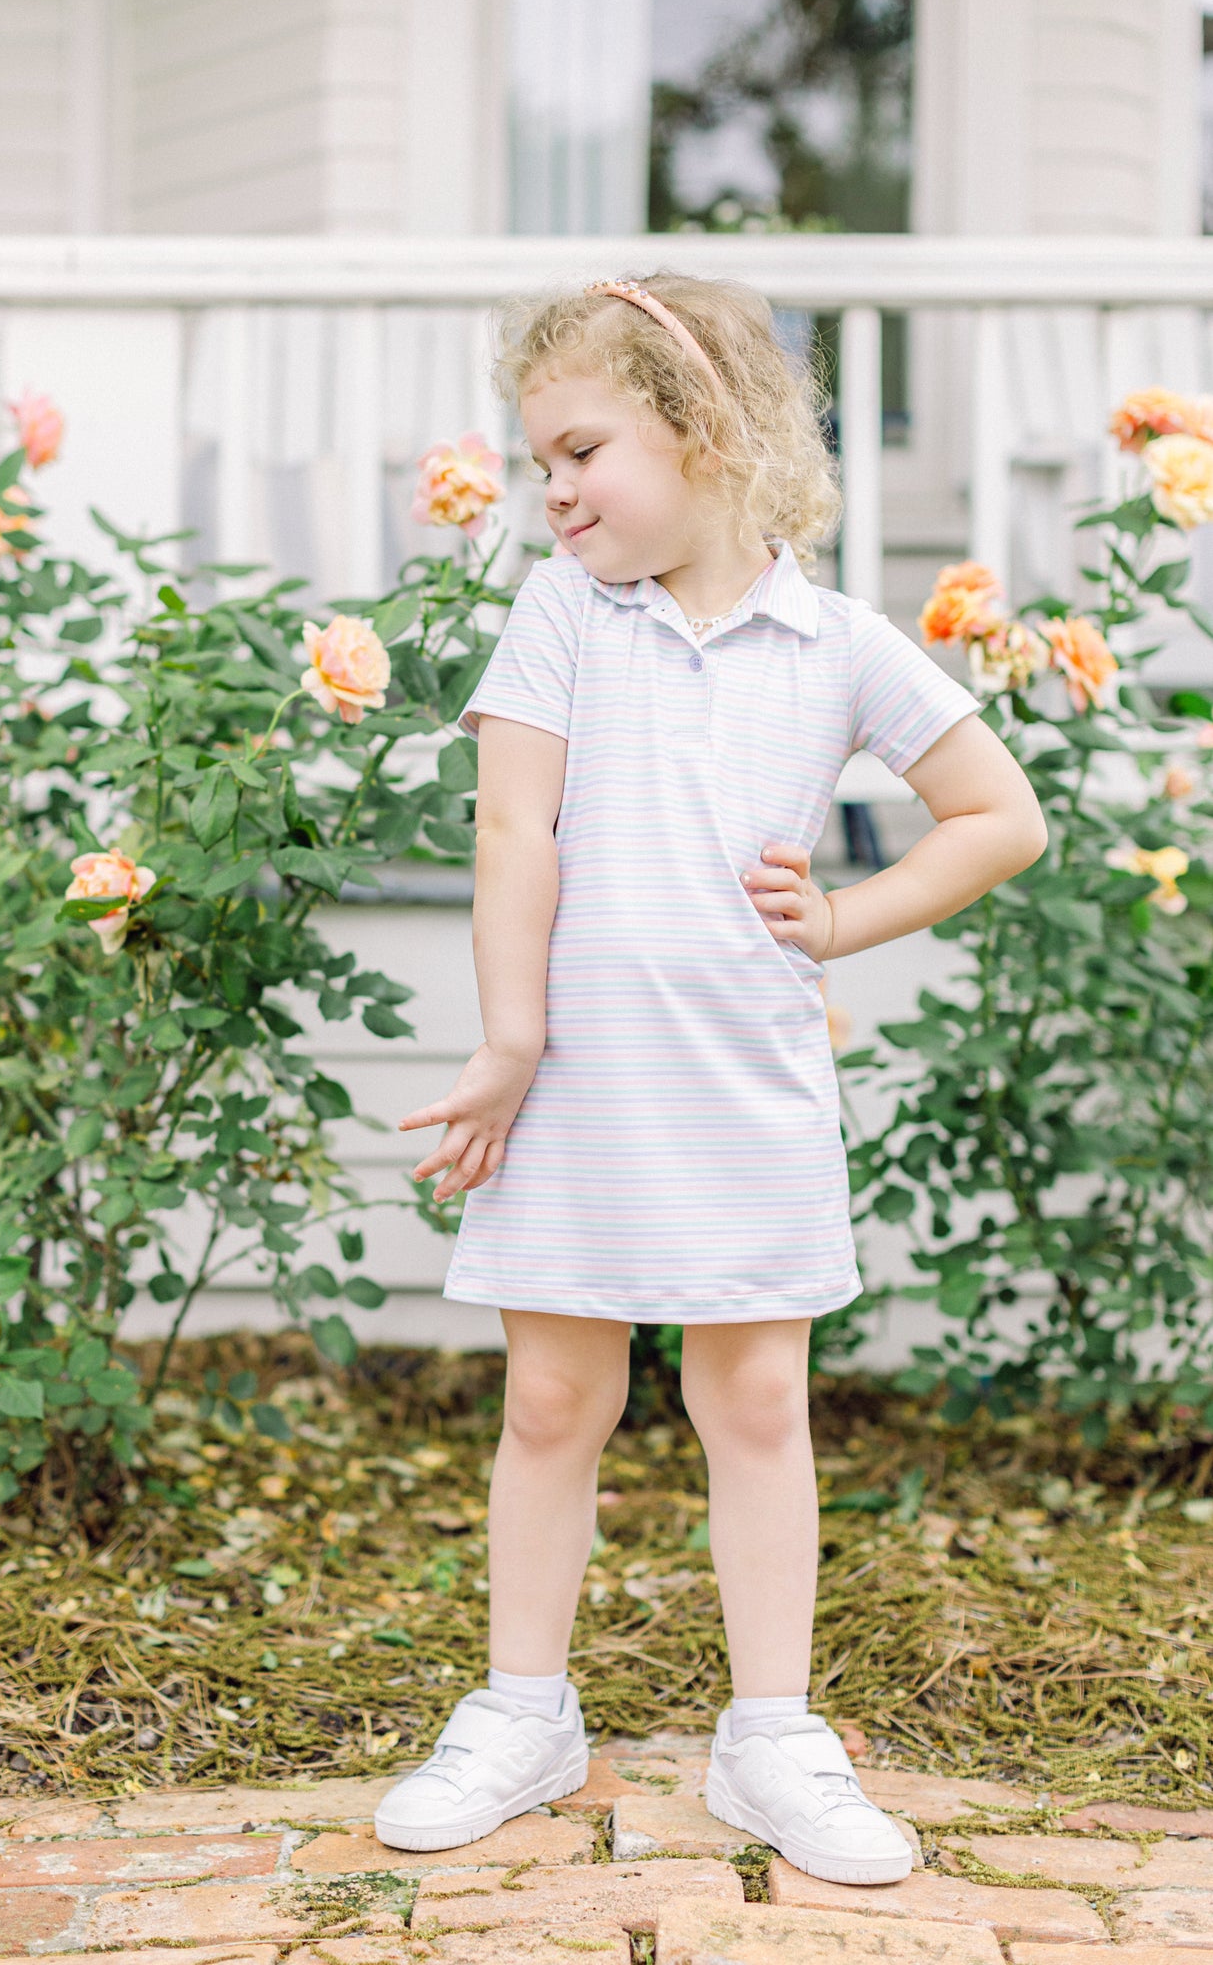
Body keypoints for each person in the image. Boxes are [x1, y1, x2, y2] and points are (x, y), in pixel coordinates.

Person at [375, 274, 1046, 1883]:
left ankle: (770, 1737)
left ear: (701, 430)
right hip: (576, 1087)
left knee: (751, 1400)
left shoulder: (834, 642)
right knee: (554, 1400)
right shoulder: (560, 612)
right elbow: (511, 828)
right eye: (539, 458)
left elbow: (998, 817)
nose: (553, 487)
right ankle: (523, 1710)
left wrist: (840, 920)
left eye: (582, 447)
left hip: (744, 1090)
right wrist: (510, 1037)